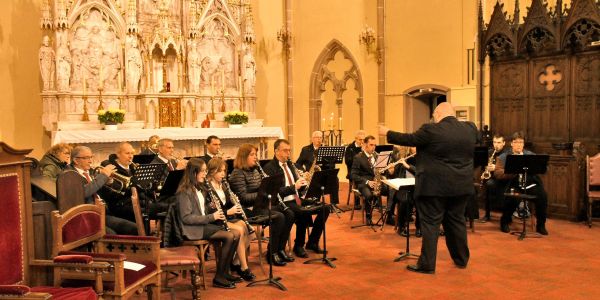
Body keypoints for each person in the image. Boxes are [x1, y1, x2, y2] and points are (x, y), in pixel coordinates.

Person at [379, 102, 478, 274]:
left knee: (431, 224)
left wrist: (386, 132)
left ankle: (427, 264)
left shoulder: (431, 130)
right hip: (461, 187)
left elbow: (408, 139)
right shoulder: (470, 128)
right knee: (457, 222)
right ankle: (461, 259)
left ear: (438, 114)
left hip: (434, 188)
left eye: (434, 115)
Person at [177, 158, 240, 289]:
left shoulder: (199, 187)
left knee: (236, 233)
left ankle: (225, 272)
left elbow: (201, 210)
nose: (205, 174)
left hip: (201, 226)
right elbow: (186, 218)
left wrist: (210, 206)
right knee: (229, 236)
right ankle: (218, 277)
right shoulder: (185, 191)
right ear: (194, 173)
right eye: (203, 171)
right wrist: (212, 216)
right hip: (192, 229)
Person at [228, 144, 295, 266]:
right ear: (244, 157)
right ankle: (272, 252)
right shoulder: (237, 173)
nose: (256, 158)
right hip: (248, 209)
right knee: (279, 217)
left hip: (259, 205)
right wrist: (262, 193)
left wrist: (269, 187)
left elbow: (261, 189)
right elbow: (243, 197)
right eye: (252, 155)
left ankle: (280, 248)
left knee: (289, 213)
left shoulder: (256, 170)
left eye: (256, 154)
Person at [263, 139, 330, 258]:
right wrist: (294, 186)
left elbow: (297, 189)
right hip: (282, 202)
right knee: (302, 211)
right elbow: (276, 192)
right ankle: (298, 245)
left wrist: (304, 182)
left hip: (296, 198)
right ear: (276, 151)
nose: (288, 154)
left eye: (289, 151)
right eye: (285, 151)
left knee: (325, 207)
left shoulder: (290, 165)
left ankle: (313, 242)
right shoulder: (269, 168)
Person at [65, 146, 138, 235]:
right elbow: (84, 192)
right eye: (86, 158)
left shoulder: (92, 172)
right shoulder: (70, 175)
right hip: (86, 216)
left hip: (103, 213)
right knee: (112, 234)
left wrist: (109, 183)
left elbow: (101, 193)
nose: (90, 161)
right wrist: (103, 176)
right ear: (76, 160)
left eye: (91, 157)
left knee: (134, 228)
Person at [205, 158, 256, 281]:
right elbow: (210, 211)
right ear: (212, 172)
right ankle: (244, 267)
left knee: (251, 232)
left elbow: (227, 203)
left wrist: (234, 203)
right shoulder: (207, 188)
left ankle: (235, 261)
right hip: (216, 220)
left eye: (224, 171)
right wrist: (228, 211)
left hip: (227, 217)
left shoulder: (223, 184)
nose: (223, 174)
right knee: (239, 229)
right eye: (220, 171)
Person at [495, 131, 548, 235]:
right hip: (514, 184)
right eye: (516, 142)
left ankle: (541, 225)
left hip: (530, 184)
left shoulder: (530, 155)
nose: (518, 144)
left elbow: (543, 168)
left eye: (521, 142)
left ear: (523, 144)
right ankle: (504, 221)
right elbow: (497, 173)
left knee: (542, 196)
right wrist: (512, 171)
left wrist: (540, 167)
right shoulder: (504, 156)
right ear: (512, 143)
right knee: (512, 198)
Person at [296, 131, 341, 211]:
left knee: (335, 179)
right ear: (312, 139)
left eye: (320, 137)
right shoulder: (306, 149)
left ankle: (333, 204)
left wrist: (327, 164)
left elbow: (332, 165)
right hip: (311, 174)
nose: (319, 139)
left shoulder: (326, 149)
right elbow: (298, 163)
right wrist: (304, 172)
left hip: (324, 172)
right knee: (316, 180)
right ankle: (315, 202)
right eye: (317, 137)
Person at [350, 135, 386, 224]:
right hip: (363, 183)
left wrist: (385, 171)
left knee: (392, 190)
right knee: (369, 195)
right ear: (365, 144)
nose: (373, 147)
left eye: (375, 145)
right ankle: (368, 216)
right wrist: (367, 182)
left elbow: (381, 171)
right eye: (371, 145)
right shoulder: (358, 157)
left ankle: (389, 215)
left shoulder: (377, 156)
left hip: (377, 182)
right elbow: (353, 175)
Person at [480, 134, 508, 222]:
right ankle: (487, 214)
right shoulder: (490, 152)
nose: (496, 145)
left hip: (503, 178)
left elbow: (508, 169)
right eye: (494, 142)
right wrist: (485, 170)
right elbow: (483, 166)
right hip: (491, 177)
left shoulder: (507, 153)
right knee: (487, 182)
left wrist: (495, 167)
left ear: (504, 143)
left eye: (499, 142)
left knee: (489, 183)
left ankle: (505, 214)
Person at [345, 130, 366, 209]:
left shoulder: (365, 147)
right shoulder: (350, 148)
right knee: (358, 178)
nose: (362, 141)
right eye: (360, 139)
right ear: (356, 139)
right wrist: (360, 153)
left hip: (364, 171)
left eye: (363, 140)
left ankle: (372, 200)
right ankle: (357, 202)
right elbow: (348, 162)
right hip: (353, 171)